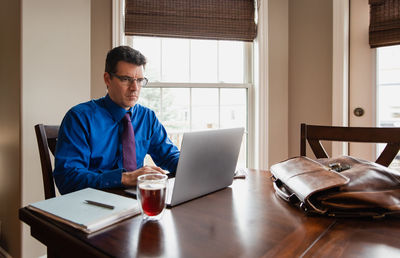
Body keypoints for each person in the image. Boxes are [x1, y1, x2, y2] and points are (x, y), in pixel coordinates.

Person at [53, 46, 180, 194]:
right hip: (92, 204)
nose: (135, 88)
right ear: (108, 79)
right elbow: (68, 179)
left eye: (139, 80)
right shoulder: (80, 118)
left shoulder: (147, 117)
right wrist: (124, 178)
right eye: (126, 79)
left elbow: (169, 156)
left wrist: (197, 166)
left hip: (136, 202)